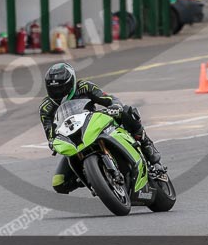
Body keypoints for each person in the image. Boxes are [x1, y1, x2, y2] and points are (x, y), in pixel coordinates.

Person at [39, 62, 161, 195]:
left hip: (94, 127)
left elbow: (107, 98)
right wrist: (52, 142)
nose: (57, 92)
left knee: (127, 111)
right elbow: (49, 131)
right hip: (73, 141)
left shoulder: (85, 87)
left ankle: (147, 146)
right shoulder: (46, 107)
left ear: (71, 82)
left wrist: (114, 106)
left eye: (61, 87)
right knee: (59, 183)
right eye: (53, 89)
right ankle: (94, 178)